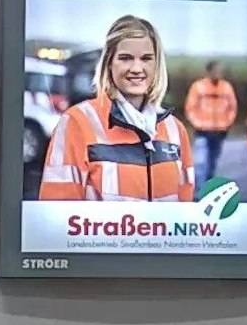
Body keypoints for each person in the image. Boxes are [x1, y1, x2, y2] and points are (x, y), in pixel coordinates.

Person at [37, 14, 196, 202]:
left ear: (157, 65)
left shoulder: (175, 129)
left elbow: (185, 217)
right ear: (109, 64)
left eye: (146, 58)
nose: (137, 68)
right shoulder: (76, 122)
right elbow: (57, 216)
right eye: (125, 58)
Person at [183, 60, 238, 179]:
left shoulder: (226, 87)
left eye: (220, 71)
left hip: (220, 132)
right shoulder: (198, 86)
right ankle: (198, 195)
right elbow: (190, 108)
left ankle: (207, 190)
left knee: (213, 163)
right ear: (209, 71)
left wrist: (227, 123)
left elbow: (232, 108)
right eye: (216, 70)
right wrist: (197, 124)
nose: (218, 73)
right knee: (200, 163)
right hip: (202, 132)